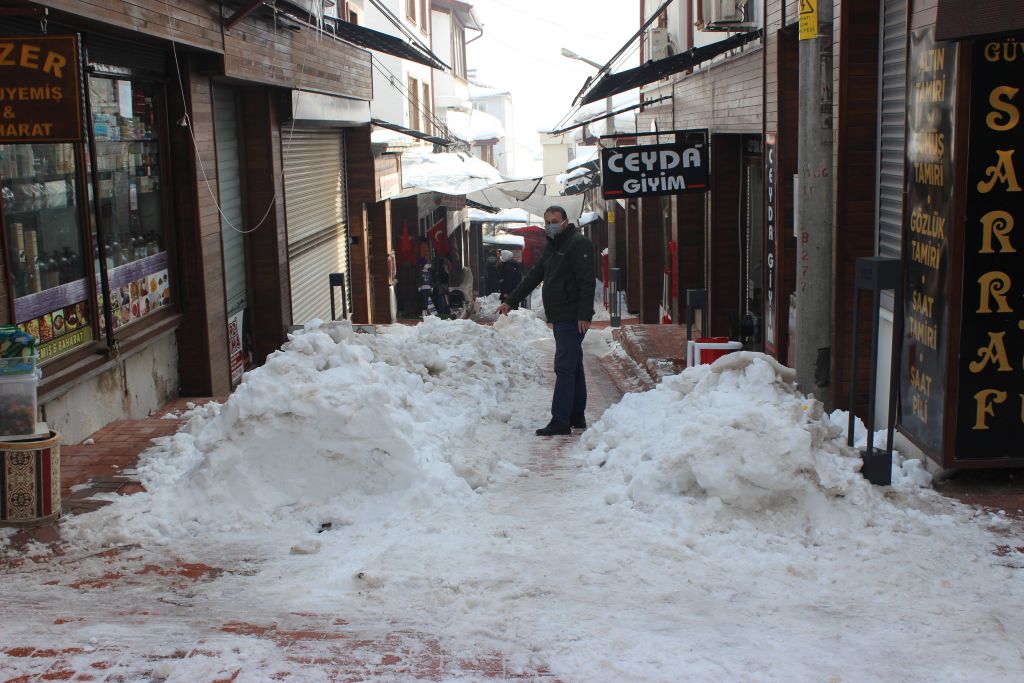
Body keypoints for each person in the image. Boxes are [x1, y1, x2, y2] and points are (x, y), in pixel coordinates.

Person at [497, 206, 595, 436]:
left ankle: (560, 421)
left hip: (571, 316)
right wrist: (511, 300)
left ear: (565, 221)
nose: (550, 224)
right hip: (560, 315)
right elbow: (534, 276)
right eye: (547, 221)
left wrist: (584, 314)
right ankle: (576, 416)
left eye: (554, 220)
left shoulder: (577, 244)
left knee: (563, 366)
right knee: (573, 365)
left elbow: (586, 281)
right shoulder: (554, 246)